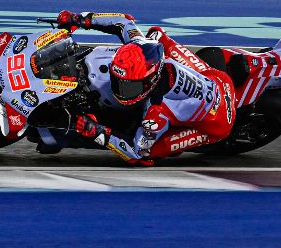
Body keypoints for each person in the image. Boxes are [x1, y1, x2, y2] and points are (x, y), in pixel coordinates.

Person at [53, 10, 236, 165]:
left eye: (128, 87)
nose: (120, 90)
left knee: (149, 153)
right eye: (117, 81)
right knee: (157, 35)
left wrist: (97, 132)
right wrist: (79, 19)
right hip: (214, 78)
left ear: (149, 81)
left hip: (217, 120)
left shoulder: (155, 113)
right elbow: (122, 20)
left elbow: (135, 152)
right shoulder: (139, 44)